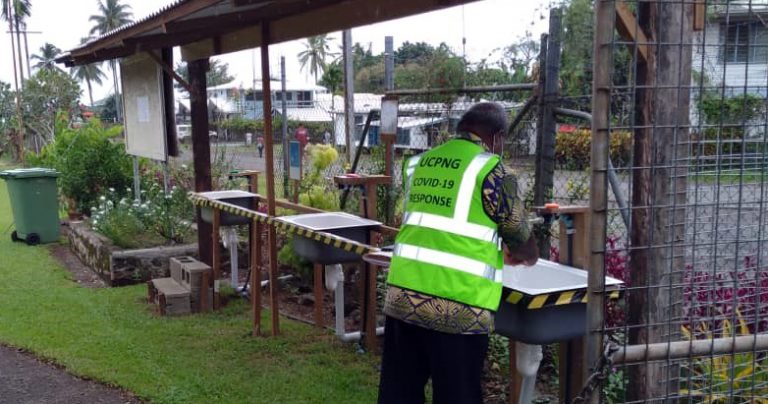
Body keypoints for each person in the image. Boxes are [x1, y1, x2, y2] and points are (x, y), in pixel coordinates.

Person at [378, 102, 539, 404]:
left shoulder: (419, 163)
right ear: (498, 137)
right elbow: (519, 235)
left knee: (399, 392)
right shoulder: (493, 171)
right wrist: (527, 255)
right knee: (457, 395)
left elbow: (433, 223)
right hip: (458, 306)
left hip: (403, 298)